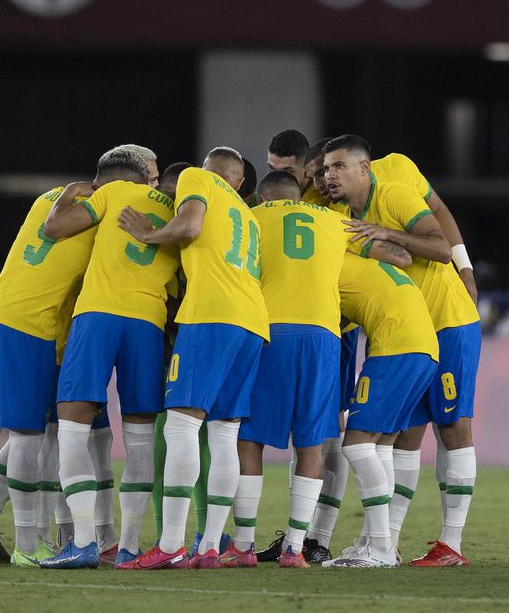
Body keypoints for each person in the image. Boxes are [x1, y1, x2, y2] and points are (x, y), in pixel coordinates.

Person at [232, 172, 414, 569]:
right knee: (312, 441)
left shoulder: (252, 217)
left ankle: (243, 546)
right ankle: (296, 549)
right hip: (323, 338)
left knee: (249, 438)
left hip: (271, 330)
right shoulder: (333, 220)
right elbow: (401, 257)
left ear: (264, 197)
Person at [0, 153, 125, 566]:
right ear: (123, 182)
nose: (152, 187)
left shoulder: (50, 197)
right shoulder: (102, 217)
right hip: (32, 326)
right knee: (33, 436)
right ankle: (29, 548)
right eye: (149, 178)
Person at [324, 135, 481, 567]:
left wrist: (465, 268)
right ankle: (386, 541)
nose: (326, 178)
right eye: (323, 171)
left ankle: (451, 543)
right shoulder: (340, 214)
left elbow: (438, 244)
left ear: (362, 166)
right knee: (403, 439)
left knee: (452, 426)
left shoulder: (394, 184)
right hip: (404, 332)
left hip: (446, 318)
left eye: (335, 168)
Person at [116, 147, 270, 570]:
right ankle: (208, 550)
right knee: (223, 434)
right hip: (253, 322)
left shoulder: (197, 180)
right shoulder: (248, 214)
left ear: (210, 171)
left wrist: (148, 233)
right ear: (241, 181)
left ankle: (170, 546)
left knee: (182, 425)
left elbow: (189, 224)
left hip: (210, 315)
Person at [36, 148, 180, 569]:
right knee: (139, 440)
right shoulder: (178, 211)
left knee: (72, 428)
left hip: (98, 315)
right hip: (148, 323)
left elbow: (55, 228)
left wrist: (67, 196)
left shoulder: (115, 191)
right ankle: (130, 547)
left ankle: (83, 542)